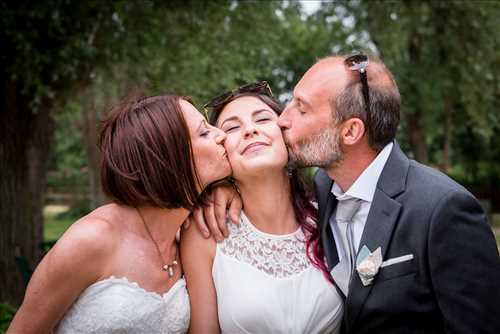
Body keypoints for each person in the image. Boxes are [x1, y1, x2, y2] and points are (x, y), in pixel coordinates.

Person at [193, 55, 500, 333]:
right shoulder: (325, 193)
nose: (282, 120)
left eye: (301, 108)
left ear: (351, 132)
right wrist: (224, 186)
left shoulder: (443, 209)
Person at [8, 93, 231, 333]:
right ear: (167, 158)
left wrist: (230, 190)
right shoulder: (92, 240)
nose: (222, 135)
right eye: (204, 132)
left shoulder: (188, 239)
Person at [181, 82, 343, 334]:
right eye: (232, 127)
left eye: (263, 119)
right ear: (221, 152)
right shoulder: (206, 232)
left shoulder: (331, 213)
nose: (250, 130)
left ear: (286, 135)